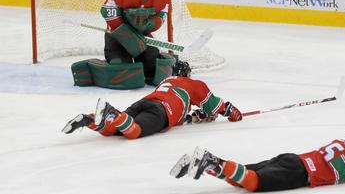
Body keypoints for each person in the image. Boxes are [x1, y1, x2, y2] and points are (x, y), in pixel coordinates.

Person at [170, 129, 345, 191]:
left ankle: (204, 163)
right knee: (252, 183)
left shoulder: (339, 143)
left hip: (292, 158)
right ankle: (212, 161)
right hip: (301, 174)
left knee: (238, 178)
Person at [62, 61, 243, 139]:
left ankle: (90, 120)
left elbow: (184, 113)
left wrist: (195, 117)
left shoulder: (167, 81)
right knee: (134, 132)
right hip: (161, 110)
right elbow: (215, 106)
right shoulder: (194, 84)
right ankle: (111, 112)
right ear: (188, 74)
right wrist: (231, 112)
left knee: (115, 130)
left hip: (144, 102)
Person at [101, 0, 169, 85]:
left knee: (151, 62)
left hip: (142, 34)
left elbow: (163, 12)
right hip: (118, 34)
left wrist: (151, 24)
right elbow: (106, 10)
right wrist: (125, 32)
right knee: (121, 67)